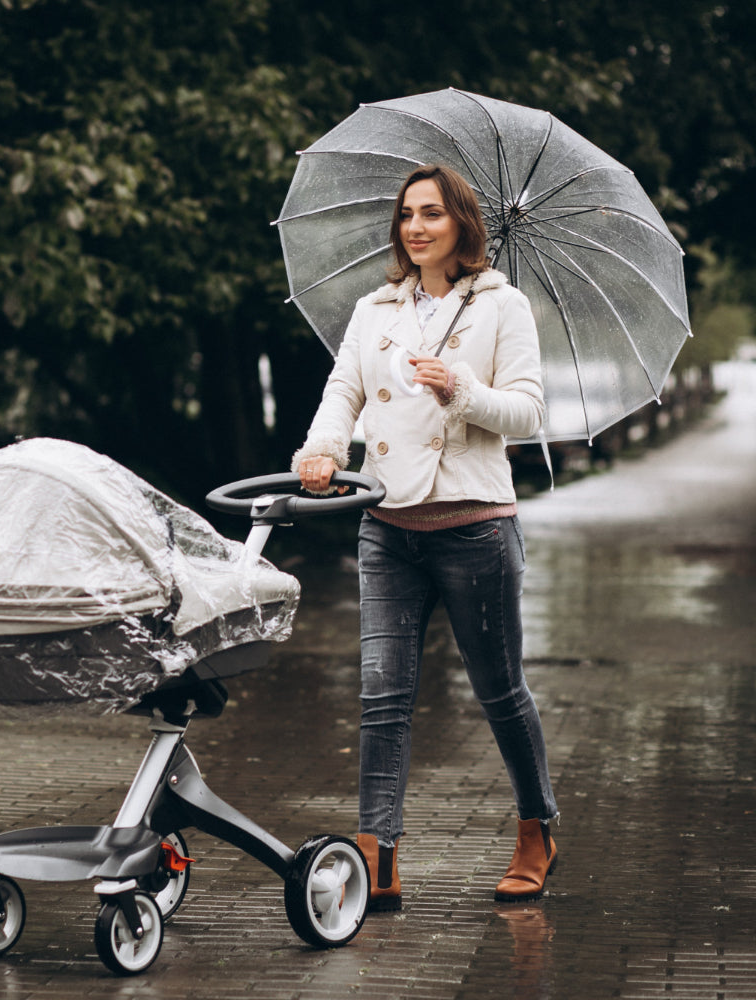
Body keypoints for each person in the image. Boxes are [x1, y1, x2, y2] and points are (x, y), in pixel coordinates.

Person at [293, 163, 558, 910]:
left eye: (433, 214)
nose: (416, 227)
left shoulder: (504, 307)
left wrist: (462, 391)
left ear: (462, 224)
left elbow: (529, 413)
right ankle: (378, 851)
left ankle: (537, 828)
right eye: (407, 214)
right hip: (388, 526)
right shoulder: (375, 309)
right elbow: (341, 394)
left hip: (475, 527)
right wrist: (320, 453)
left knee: (500, 692)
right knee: (382, 696)